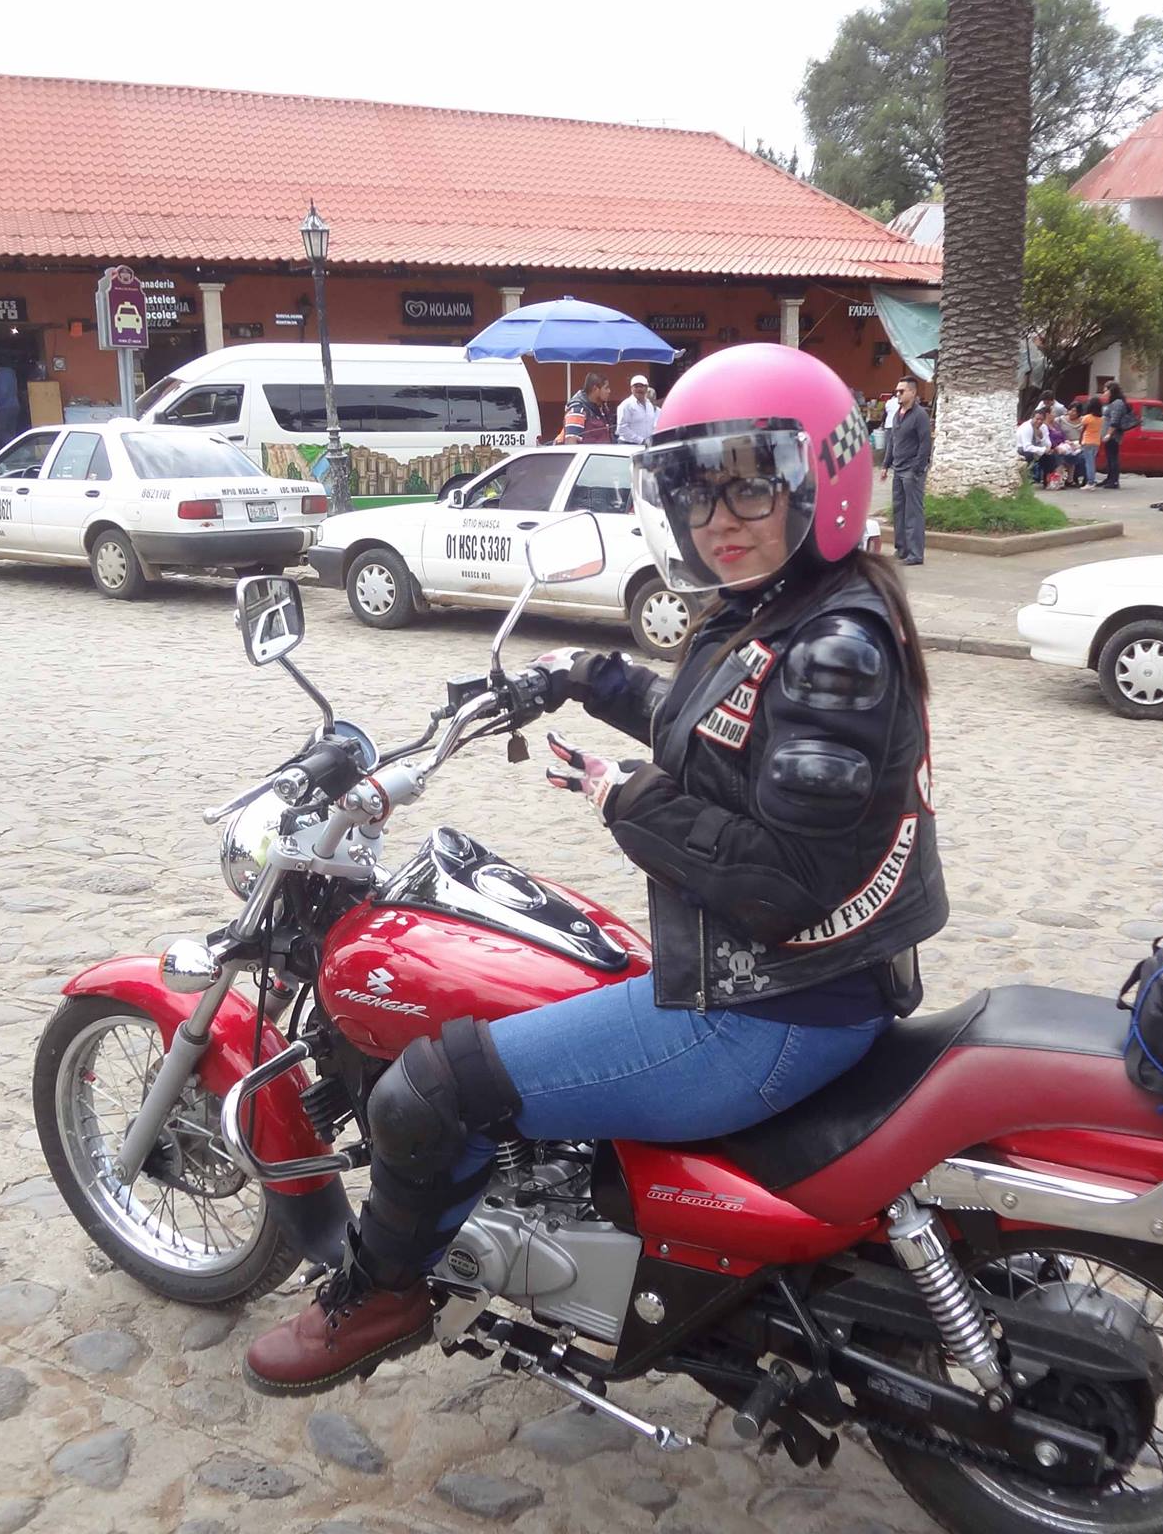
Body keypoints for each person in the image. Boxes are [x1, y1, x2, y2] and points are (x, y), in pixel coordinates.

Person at [243, 345, 948, 1395]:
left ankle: (379, 1295)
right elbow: (718, 731)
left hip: (768, 1013)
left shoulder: (830, 649)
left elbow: (783, 883)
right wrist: (585, 676)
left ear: (824, 478)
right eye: (693, 490)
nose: (718, 516)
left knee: (426, 1091)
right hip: (795, 990)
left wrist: (627, 798)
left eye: (750, 484)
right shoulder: (789, 611)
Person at [882, 376, 929, 565]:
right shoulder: (897, 414)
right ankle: (902, 549)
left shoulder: (920, 415)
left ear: (913, 392)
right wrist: (885, 465)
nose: (898, 394)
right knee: (899, 510)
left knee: (913, 512)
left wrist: (917, 468)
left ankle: (915, 554)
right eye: (897, 391)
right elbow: (892, 441)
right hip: (898, 469)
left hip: (912, 470)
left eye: (901, 391)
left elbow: (925, 444)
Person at [560, 372, 616, 445]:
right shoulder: (577, 409)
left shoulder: (602, 408)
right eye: (606, 388)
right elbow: (571, 441)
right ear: (595, 389)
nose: (609, 391)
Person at [1100, 382, 1135, 489]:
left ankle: (1114, 480)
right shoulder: (1112, 402)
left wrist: (1109, 434)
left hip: (1113, 436)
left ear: (1111, 391)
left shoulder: (1117, 403)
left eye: (1106, 390)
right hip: (1108, 434)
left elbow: (1115, 420)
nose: (1104, 393)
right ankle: (1109, 478)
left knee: (1113, 457)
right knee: (1109, 457)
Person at [1015, 403, 1057, 487]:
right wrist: (1043, 450)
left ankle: (1047, 480)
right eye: (1037, 419)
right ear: (1032, 418)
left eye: (1042, 419)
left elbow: (1048, 443)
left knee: (1051, 456)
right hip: (1022, 450)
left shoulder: (1043, 427)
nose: (1039, 421)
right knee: (1029, 454)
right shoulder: (1026, 427)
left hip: (1036, 450)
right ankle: (1025, 479)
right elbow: (1027, 447)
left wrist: (1042, 437)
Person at [615, 375, 659, 445]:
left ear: (646, 388)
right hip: (628, 445)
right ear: (631, 388)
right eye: (636, 386)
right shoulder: (626, 405)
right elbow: (621, 429)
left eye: (641, 386)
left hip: (646, 445)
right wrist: (641, 440)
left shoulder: (649, 404)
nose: (639, 389)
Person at [1078, 397, 1105, 490]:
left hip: (1087, 441)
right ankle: (1092, 480)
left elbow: (1082, 430)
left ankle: (1090, 482)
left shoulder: (1087, 418)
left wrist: (1080, 440)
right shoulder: (1101, 419)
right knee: (1092, 462)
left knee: (1089, 463)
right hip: (1096, 442)